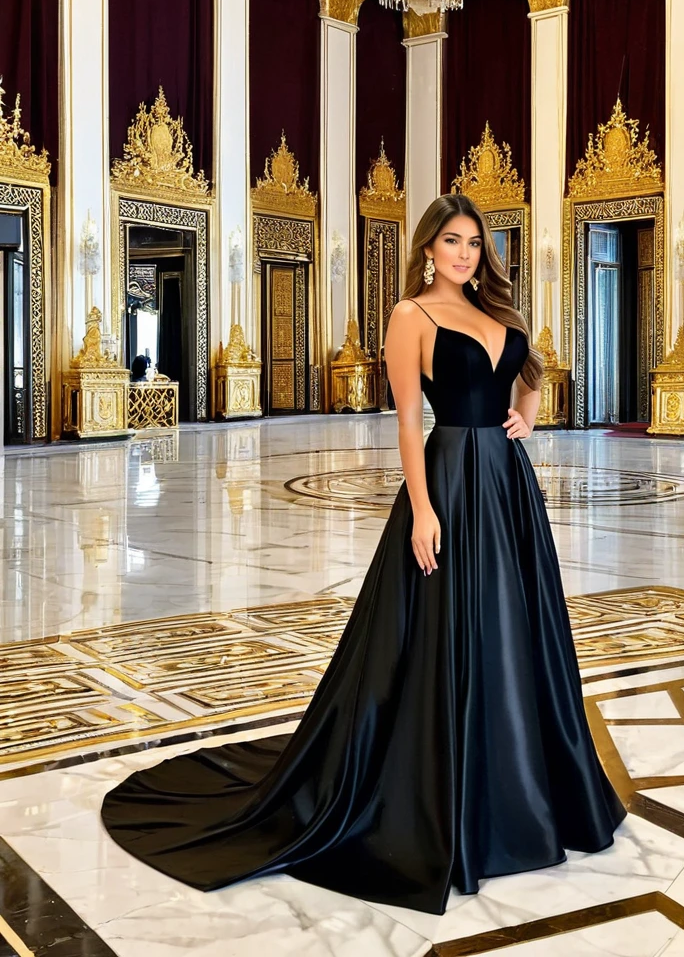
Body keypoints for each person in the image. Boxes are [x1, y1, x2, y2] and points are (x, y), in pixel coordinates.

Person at [101, 193, 624, 915]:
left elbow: (532, 379)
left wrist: (524, 421)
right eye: (451, 241)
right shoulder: (412, 315)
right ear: (429, 249)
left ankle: (524, 787)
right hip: (447, 479)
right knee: (446, 635)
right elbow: (409, 419)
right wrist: (421, 508)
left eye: (474, 242)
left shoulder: (502, 313)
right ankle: (449, 794)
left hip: (507, 490)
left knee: (514, 630)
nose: (464, 253)